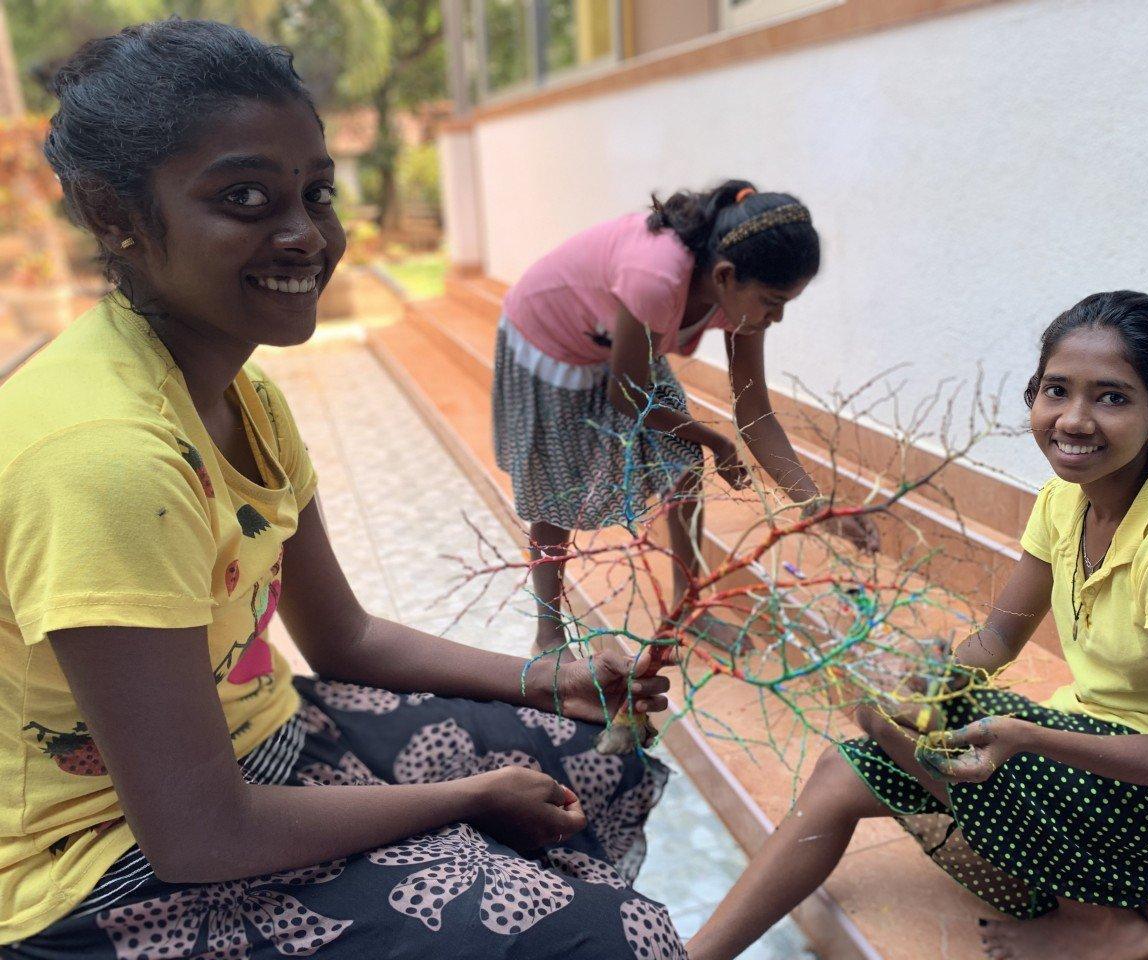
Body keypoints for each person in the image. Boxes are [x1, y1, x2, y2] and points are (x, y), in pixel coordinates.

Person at [0, 19, 682, 959]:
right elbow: (198, 835)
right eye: (243, 197)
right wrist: (466, 802)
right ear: (114, 212)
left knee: (598, 767)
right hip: (102, 867)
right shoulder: (107, 460)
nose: (305, 235)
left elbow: (344, 637)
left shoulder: (246, 396)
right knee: (617, 938)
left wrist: (547, 675)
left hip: (263, 747)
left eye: (316, 193)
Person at [686, 290, 1148, 960]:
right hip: (1104, 751)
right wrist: (931, 673)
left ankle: (1102, 925)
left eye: (1111, 397)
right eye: (1057, 390)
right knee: (854, 757)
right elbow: (997, 641)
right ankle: (696, 954)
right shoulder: (1065, 502)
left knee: (956, 728)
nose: (1074, 419)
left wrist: (1023, 735)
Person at [492, 180, 879, 654]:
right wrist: (716, 442)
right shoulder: (656, 279)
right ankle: (547, 634)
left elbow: (754, 413)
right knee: (556, 490)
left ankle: (687, 611)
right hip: (551, 337)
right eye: (773, 303)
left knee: (682, 458)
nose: (776, 319)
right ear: (724, 276)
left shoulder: (739, 299)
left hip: (620, 335)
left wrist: (816, 506)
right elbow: (629, 395)